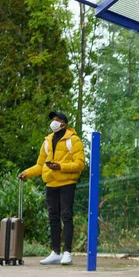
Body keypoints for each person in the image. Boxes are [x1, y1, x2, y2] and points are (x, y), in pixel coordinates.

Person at [18, 112, 85, 265]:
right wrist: (26, 173)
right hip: (51, 185)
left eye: (57, 120)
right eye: (53, 120)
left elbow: (80, 164)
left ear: (64, 124)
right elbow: (40, 165)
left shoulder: (73, 140)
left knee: (66, 216)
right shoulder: (47, 142)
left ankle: (67, 252)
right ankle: (55, 252)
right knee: (53, 218)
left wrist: (60, 166)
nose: (54, 122)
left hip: (67, 183)